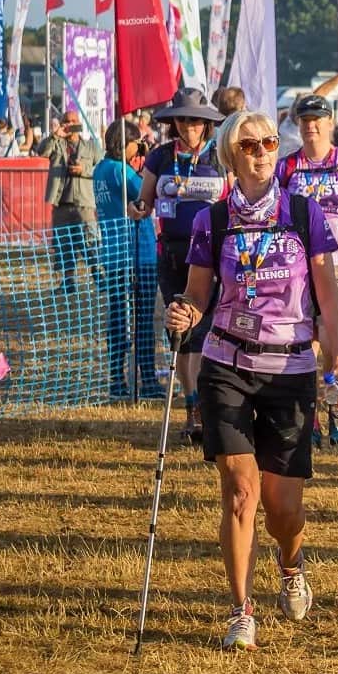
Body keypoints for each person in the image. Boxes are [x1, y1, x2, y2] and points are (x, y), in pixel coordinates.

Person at [164, 110, 338, 651]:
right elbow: (197, 295)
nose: (262, 150)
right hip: (227, 363)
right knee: (241, 493)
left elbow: (328, 294)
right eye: (250, 144)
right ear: (231, 155)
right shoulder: (212, 221)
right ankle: (241, 608)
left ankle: (291, 564)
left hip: (290, 366)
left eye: (269, 142)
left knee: (283, 509)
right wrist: (185, 312)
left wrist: (337, 358)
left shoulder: (302, 212)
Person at [134, 88, 232, 440]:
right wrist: (138, 209)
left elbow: (236, 200)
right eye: (182, 119)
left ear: (206, 123)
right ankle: (193, 406)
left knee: (209, 332)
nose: (188, 126)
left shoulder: (221, 157)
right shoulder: (161, 157)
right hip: (173, 254)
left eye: (195, 120)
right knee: (182, 334)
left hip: (216, 255)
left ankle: (210, 403)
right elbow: (143, 201)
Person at [280, 94, 338, 442]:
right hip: (299, 267)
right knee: (305, 345)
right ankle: (311, 421)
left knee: (337, 346)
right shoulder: (287, 167)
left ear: (331, 123)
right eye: (304, 119)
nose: (310, 125)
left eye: (317, 119)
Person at [94, 120, 162, 400]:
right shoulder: (122, 171)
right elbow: (149, 192)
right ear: (127, 144)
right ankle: (147, 379)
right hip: (137, 252)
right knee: (143, 320)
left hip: (112, 253)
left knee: (118, 318)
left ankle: (116, 379)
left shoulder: (100, 169)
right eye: (138, 142)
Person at [35, 110, 101, 293]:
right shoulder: (56, 144)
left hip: (84, 203)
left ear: (79, 123)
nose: (70, 124)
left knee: (90, 241)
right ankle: (68, 280)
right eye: (67, 121)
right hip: (61, 202)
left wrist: (85, 169)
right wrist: (56, 135)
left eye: (73, 121)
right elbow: (41, 151)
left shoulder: (91, 147)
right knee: (64, 243)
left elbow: (101, 167)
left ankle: (98, 275)